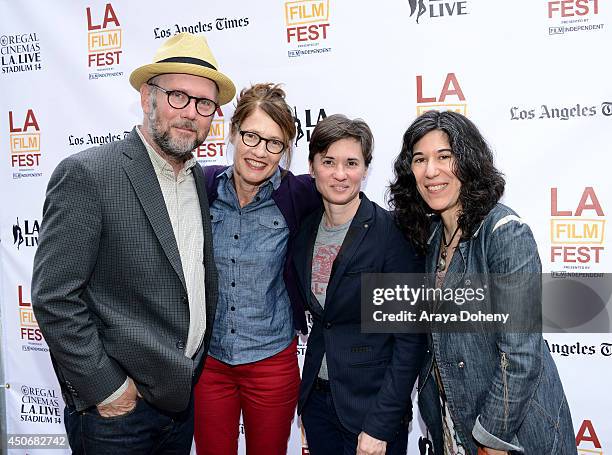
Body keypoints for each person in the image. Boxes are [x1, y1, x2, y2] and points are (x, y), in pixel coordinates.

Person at [31, 32, 235, 454]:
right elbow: (54, 297)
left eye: (204, 104)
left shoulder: (197, 178)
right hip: (116, 416)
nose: (190, 113)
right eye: (178, 96)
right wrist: (108, 390)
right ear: (148, 97)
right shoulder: (89, 174)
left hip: (179, 405)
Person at [389, 110, 577, 455]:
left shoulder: (503, 232)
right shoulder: (429, 239)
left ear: (469, 161)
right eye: (420, 159)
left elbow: (520, 352)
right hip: (451, 426)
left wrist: (491, 435)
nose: (431, 171)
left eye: (445, 156)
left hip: (511, 435)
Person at [193, 83, 320, 455]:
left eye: (274, 143)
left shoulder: (297, 195)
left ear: (285, 150)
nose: (260, 151)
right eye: (251, 136)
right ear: (232, 133)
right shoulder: (202, 186)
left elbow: (350, 203)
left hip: (272, 361)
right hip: (211, 363)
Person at [293, 114, 426, 455]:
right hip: (318, 403)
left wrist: (380, 426)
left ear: (365, 170)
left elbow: (408, 343)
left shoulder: (388, 235)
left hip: (370, 412)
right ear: (312, 167)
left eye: (351, 163)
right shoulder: (305, 230)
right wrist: (309, 405)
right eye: (329, 162)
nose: (340, 174)